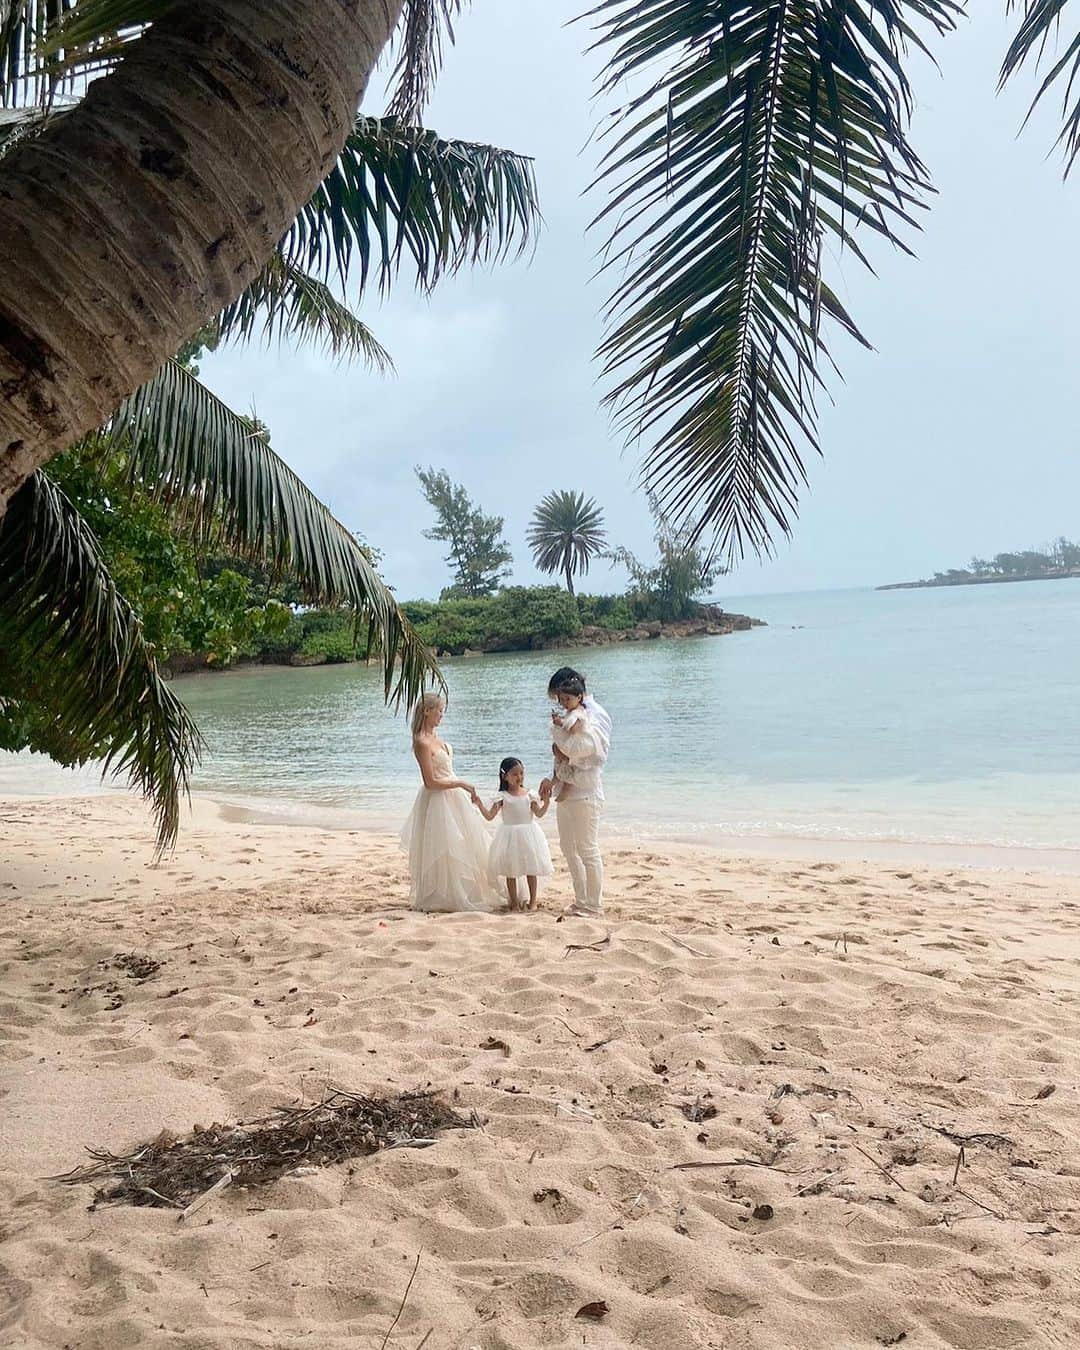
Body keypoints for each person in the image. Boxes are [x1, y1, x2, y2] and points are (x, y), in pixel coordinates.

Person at [400, 692, 499, 913]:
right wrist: (461, 784)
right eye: (439, 711)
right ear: (427, 711)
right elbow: (430, 782)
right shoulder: (422, 742)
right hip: (438, 799)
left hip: (454, 796)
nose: (441, 716)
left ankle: (470, 890)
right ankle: (447, 895)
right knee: (446, 847)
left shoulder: (436, 737)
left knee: (466, 843)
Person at [539, 668, 610, 918]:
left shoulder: (594, 715)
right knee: (569, 848)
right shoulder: (572, 714)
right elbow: (562, 752)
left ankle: (593, 904)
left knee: (587, 848)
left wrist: (564, 754)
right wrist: (554, 777)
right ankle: (581, 900)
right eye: (560, 699)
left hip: (586, 792)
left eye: (563, 697)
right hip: (568, 792)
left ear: (577, 694)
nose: (561, 703)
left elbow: (594, 755)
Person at [472, 757, 553, 912]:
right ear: (505, 776)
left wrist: (547, 802)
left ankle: (533, 901)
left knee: (531, 869)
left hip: (529, 835)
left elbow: (539, 813)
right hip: (509, 836)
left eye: (522, 773)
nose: (519, 777)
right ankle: (514, 903)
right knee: (511, 870)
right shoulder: (502, 796)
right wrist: (479, 803)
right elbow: (489, 816)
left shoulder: (530, 795)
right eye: (515, 774)